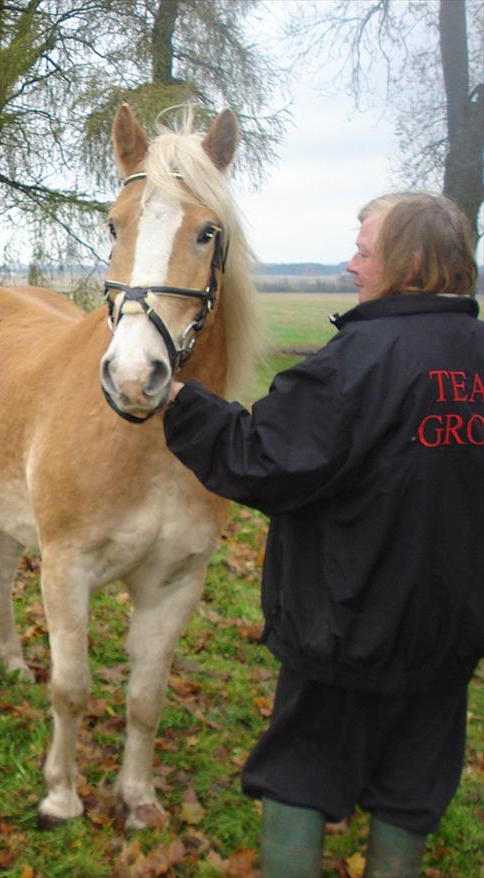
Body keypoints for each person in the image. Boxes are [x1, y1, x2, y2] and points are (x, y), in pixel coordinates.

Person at [162, 191, 484, 877]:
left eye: (366, 252)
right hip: (451, 636)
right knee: (411, 788)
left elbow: (263, 458)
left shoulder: (355, 363)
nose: (349, 264)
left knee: (299, 774)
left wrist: (187, 406)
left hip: (346, 628)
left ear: (413, 261)